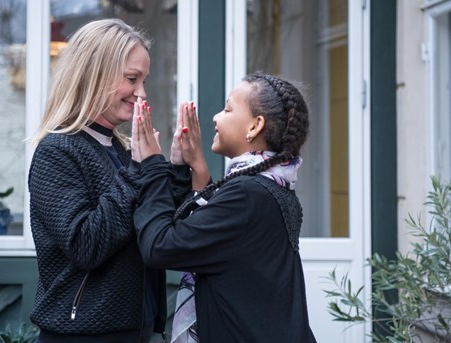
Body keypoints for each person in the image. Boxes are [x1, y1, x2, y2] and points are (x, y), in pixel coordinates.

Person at [28, 18, 196, 342]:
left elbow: (159, 226)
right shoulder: (57, 151)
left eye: (144, 80)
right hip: (83, 334)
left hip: (136, 330)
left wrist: (174, 168)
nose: (141, 92)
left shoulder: (122, 148)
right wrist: (136, 169)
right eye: (132, 78)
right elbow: (85, 245)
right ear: (94, 74)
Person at [130, 72, 317, 342]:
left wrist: (151, 168)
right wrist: (197, 170)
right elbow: (215, 240)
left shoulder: (248, 194)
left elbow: (161, 246)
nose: (216, 117)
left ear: (255, 125)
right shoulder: (269, 187)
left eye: (228, 109)